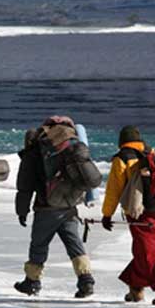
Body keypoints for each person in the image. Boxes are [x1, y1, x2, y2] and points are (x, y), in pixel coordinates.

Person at [13, 116, 97, 298]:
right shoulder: (71, 143)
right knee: (74, 244)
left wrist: (22, 210)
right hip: (70, 205)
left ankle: (32, 281)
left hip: (47, 207)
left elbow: (25, 184)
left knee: (39, 245)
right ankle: (86, 280)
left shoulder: (37, 147)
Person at [99, 125, 155, 305]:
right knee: (145, 249)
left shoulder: (122, 158)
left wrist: (107, 214)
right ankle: (136, 289)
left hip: (138, 212)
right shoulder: (151, 154)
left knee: (148, 253)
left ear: (121, 141)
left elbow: (114, 190)